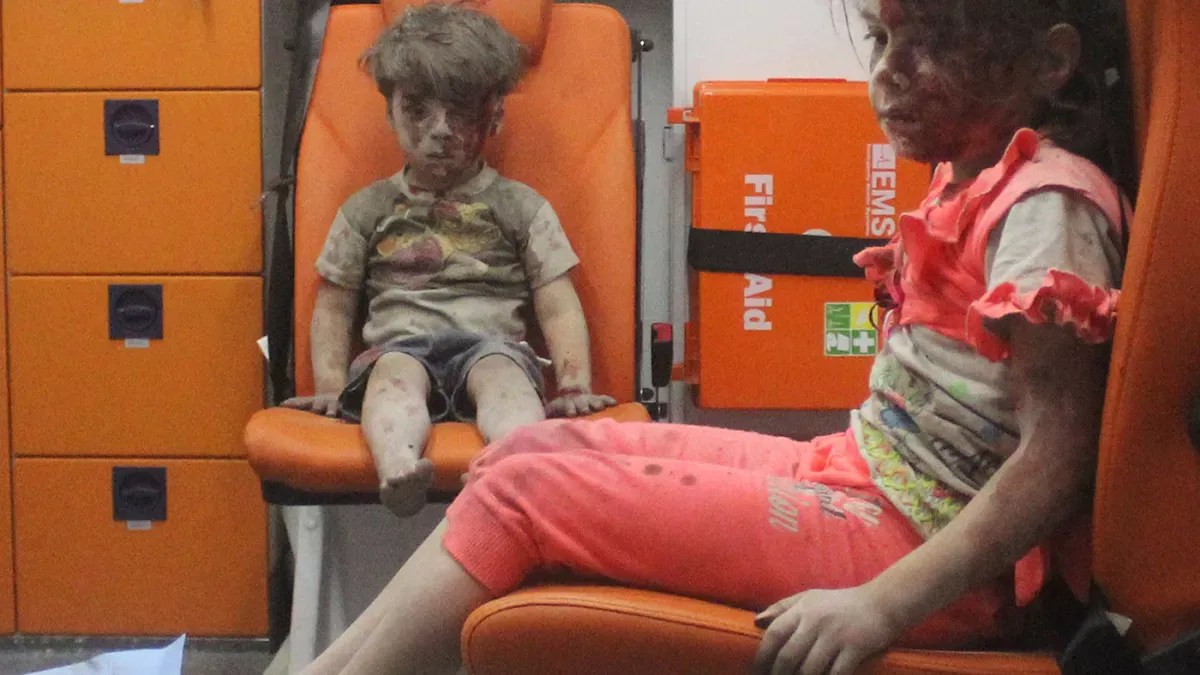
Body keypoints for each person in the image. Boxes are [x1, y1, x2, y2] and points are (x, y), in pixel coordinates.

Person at [299, 0, 1133, 672]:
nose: (888, 74)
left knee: (521, 494)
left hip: (918, 544)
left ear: (1049, 62)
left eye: (935, 44)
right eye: (884, 39)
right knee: (525, 451)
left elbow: (1058, 459)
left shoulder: (1047, 206)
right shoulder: (976, 175)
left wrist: (880, 606)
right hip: (864, 479)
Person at [281, 2, 615, 518]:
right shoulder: (367, 210)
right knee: (391, 381)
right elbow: (334, 303)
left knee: (506, 382)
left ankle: (515, 471)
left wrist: (573, 385)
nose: (440, 130)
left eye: (460, 112)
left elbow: (556, 303)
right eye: (418, 111)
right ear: (390, 112)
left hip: (493, 346)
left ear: (494, 115)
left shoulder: (519, 208)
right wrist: (329, 388)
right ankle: (399, 466)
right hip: (399, 346)